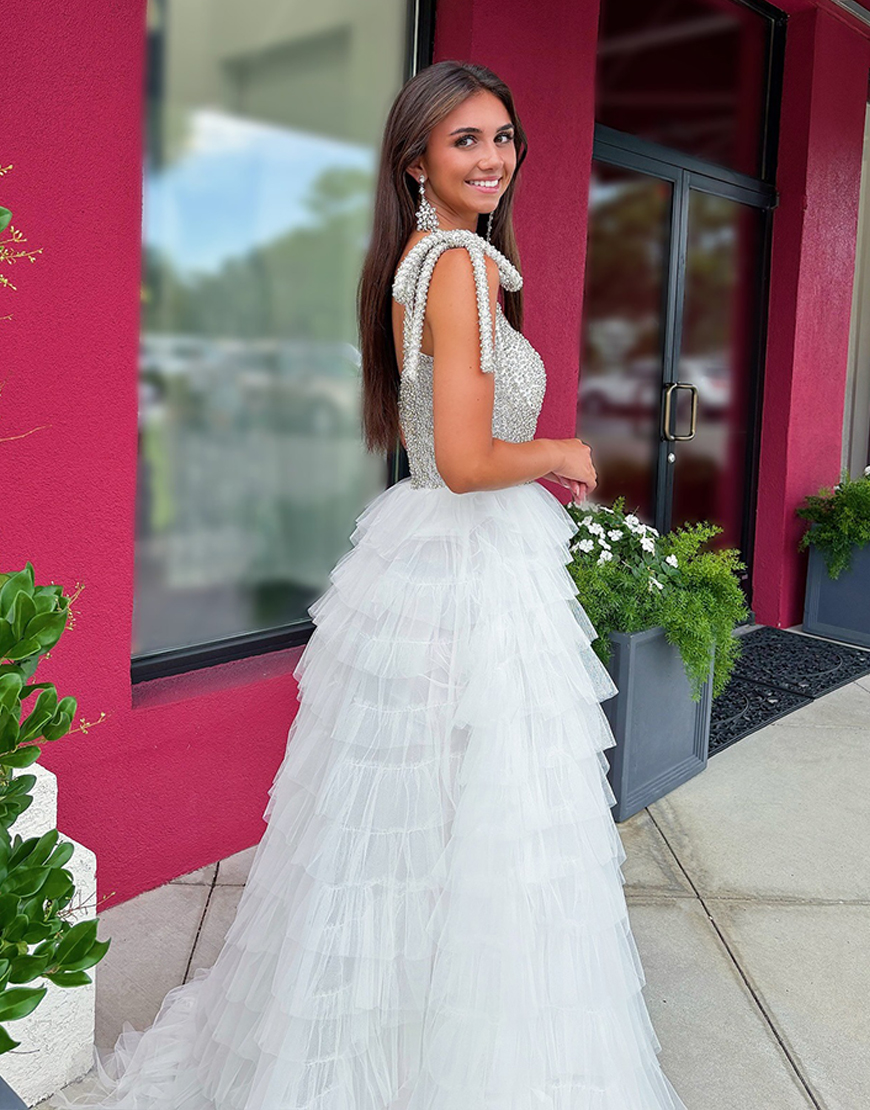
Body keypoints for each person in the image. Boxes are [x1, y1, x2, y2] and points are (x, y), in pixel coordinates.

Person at [53, 60, 689, 1110]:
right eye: (465, 142)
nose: (493, 159)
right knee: (483, 804)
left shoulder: (420, 259)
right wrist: (565, 451)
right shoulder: (461, 270)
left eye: (502, 137)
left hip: (435, 554)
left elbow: (437, 452)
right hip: (470, 558)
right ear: (416, 163)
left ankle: (399, 1021)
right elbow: (467, 461)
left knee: (418, 804)